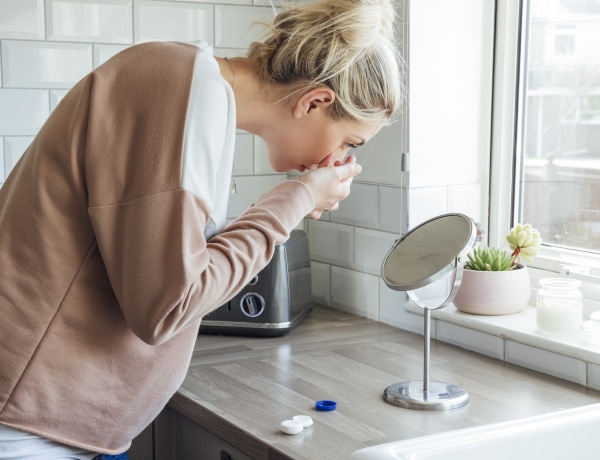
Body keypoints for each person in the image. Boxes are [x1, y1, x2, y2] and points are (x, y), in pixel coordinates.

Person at [0, 0, 403, 458]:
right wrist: (298, 198)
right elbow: (167, 306)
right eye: (349, 143)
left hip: (58, 428)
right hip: (24, 432)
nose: (339, 163)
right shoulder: (175, 85)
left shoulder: (197, 98)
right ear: (314, 101)